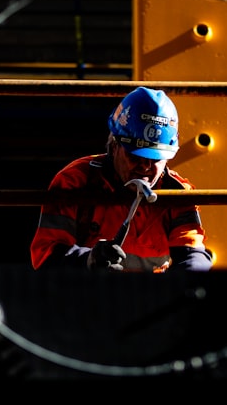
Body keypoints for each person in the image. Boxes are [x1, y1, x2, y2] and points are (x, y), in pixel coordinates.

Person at [30, 87, 213, 272]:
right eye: (135, 157)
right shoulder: (75, 181)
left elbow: (193, 256)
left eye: (156, 159)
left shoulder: (178, 193)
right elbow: (46, 256)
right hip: (88, 293)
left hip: (155, 296)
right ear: (115, 145)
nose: (145, 167)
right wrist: (88, 260)